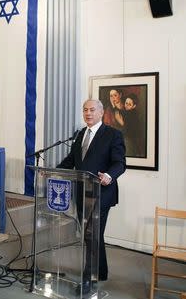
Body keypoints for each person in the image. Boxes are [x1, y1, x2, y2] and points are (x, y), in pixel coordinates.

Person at [57, 99, 126, 294]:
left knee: (92, 234)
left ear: (101, 112)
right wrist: (53, 172)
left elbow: (120, 162)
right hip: (81, 192)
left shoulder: (113, 135)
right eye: (85, 110)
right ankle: (101, 270)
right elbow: (72, 160)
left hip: (101, 193)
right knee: (91, 236)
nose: (88, 113)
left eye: (92, 110)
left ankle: (89, 277)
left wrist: (109, 176)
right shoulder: (80, 134)